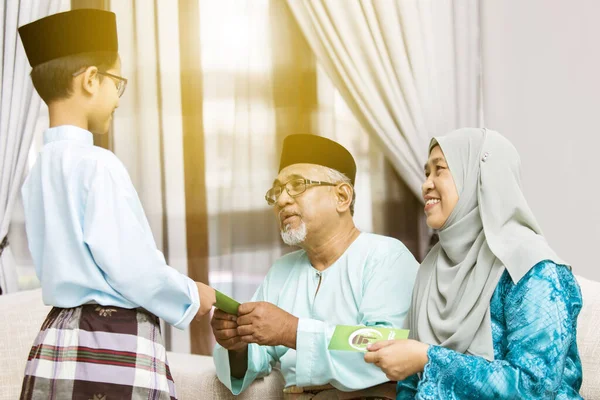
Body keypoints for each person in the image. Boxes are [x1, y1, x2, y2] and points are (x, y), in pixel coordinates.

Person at [18, 9, 215, 399]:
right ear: (91, 79)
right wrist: (193, 294)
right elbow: (134, 270)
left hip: (56, 341)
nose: (118, 100)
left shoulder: (39, 171)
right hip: (109, 343)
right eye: (116, 84)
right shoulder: (98, 164)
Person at [365, 128, 583, 399]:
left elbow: (534, 387)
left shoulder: (533, 269)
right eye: (426, 173)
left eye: (439, 169)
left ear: (480, 178)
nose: (426, 184)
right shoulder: (431, 268)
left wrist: (428, 358)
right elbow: (411, 384)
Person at [211, 134, 419, 399]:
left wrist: (290, 330)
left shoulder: (386, 257)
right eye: (277, 191)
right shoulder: (282, 271)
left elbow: (383, 343)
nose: (282, 201)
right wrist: (238, 344)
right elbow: (256, 357)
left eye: (297, 185)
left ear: (342, 196)